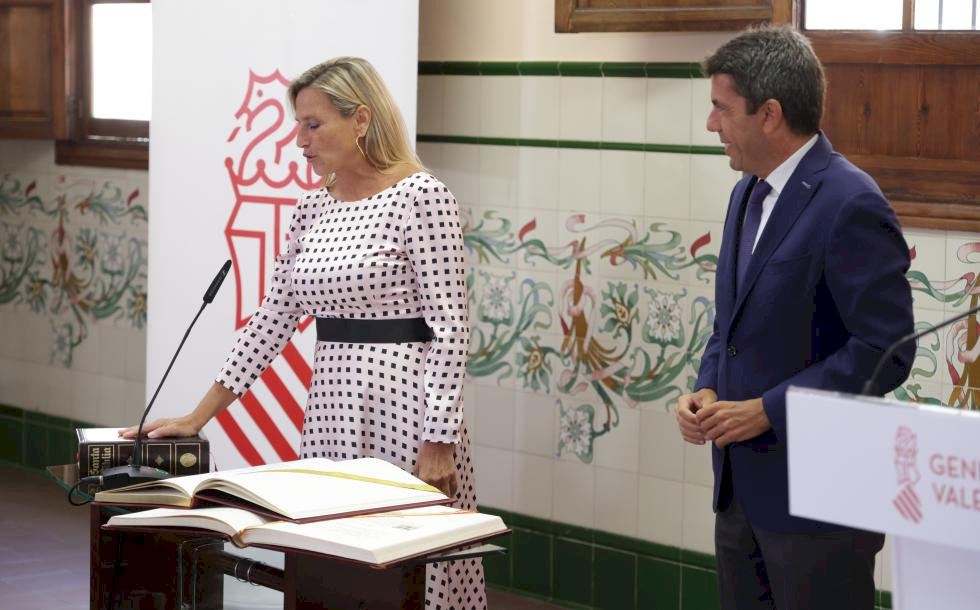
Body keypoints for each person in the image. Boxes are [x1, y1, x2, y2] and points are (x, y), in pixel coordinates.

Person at [122, 56, 485, 610]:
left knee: (407, 571)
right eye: (298, 125)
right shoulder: (311, 207)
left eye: (313, 125)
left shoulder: (421, 196)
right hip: (331, 407)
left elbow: (450, 327)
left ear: (360, 119)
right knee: (329, 564)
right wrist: (199, 416)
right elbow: (273, 317)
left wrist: (440, 437)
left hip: (407, 409)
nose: (300, 141)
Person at [674, 26, 914, 610]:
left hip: (821, 507)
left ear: (770, 114)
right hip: (739, 494)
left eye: (721, 108)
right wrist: (707, 387)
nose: (711, 124)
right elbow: (731, 323)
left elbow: (886, 350)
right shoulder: (746, 192)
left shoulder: (851, 201)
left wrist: (768, 410)